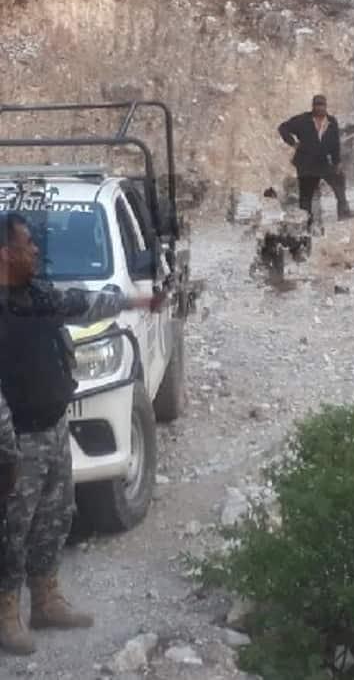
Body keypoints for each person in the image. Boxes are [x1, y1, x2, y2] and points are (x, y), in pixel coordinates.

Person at [0, 212, 163, 655]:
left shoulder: (37, 294)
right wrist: (7, 453)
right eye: (27, 244)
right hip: (18, 441)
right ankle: (7, 614)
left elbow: (82, 304)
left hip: (53, 428)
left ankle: (46, 600)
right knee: (12, 529)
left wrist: (134, 301)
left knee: (54, 517)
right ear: (5, 254)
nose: (36, 249)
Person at [278, 95, 354, 223]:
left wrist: (337, 162)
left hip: (323, 161)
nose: (319, 108)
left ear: (326, 106)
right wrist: (293, 143)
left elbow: (335, 144)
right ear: (313, 106)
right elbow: (283, 128)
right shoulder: (303, 120)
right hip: (306, 162)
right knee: (306, 195)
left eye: (322, 105)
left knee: (339, 181)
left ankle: (343, 211)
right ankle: (306, 221)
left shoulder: (331, 122)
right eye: (317, 105)